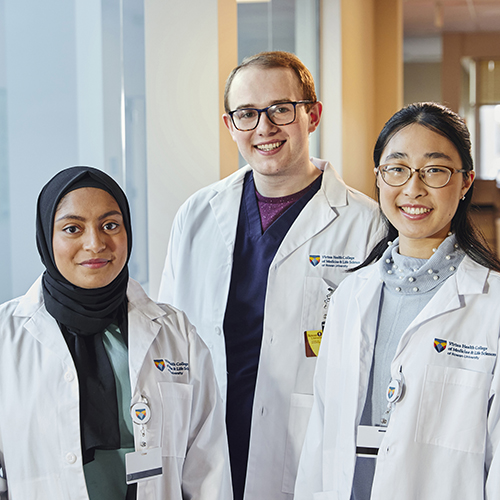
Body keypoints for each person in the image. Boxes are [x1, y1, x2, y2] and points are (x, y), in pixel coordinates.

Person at [158, 51, 384, 500]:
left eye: (281, 108)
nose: (265, 127)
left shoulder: (367, 224)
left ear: (312, 115)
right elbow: (168, 336)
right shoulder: (198, 214)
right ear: (230, 126)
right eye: (247, 114)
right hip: (206, 439)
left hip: (304, 447)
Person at [295, 102, 500, 500]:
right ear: (379, 177)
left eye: (435, 170)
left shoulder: (491, 306)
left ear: (466, 182)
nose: (413, 188)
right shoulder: (350, 296)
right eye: (397, 168)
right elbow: (321, 433)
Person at [0, 166, 232, 500]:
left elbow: (210, 469)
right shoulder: (8, 339)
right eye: (72, 228)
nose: (95, 244)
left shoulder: (175, 333)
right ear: (46, 237)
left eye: (110, 225)